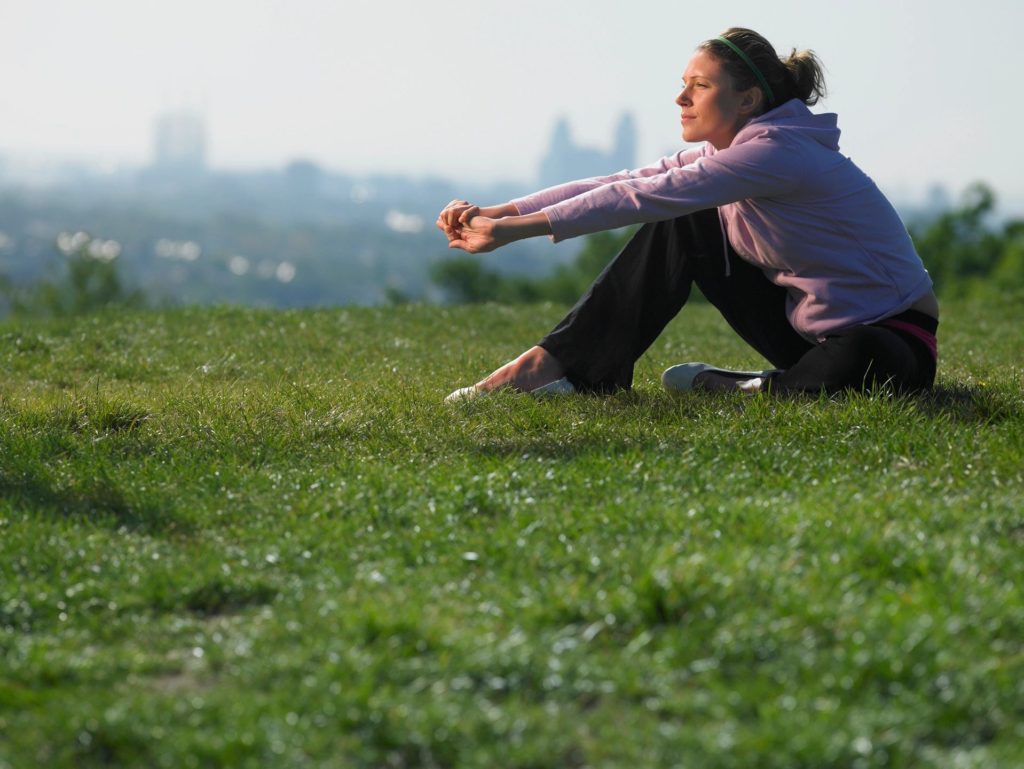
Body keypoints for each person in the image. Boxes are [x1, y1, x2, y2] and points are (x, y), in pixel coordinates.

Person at [437, 27, 939, 400]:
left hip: (893, 341)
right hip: (808, 335)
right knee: (686, 217)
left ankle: (740, 387)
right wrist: (500, 212)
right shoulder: (731, 153)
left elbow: (642, 197)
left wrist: (511, 233)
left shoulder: (778, 152)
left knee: (860, 360)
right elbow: (627, 182)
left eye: (699, 85)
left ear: (748, 99)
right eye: (683, 84)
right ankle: (568, 368)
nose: (680, 98)